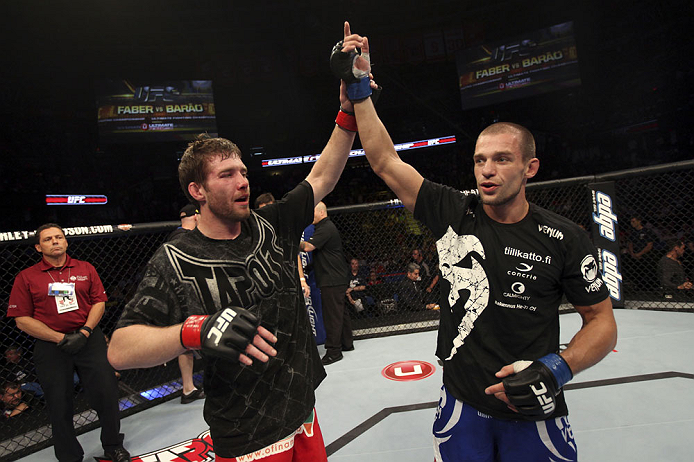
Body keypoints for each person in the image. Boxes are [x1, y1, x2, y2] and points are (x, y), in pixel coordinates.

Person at [332, 22, 617, 461]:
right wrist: (359, 88)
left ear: (530, 168)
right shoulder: (453, 210)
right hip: (462, 402)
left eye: (502, 159)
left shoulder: (565, 237)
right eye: (480, 159)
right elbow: (385, 161)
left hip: (533, 406)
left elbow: (601, 320)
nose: (487, 170)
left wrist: (557, 368)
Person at [108, 77, 375, 461]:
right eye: (226, 175)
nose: (243, 182)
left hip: (301, 410)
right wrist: (194, 330)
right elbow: (119, 350)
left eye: (243, 172)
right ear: (197, 191)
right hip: (247, 432)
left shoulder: (271, 224)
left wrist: (347, 113)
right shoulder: (177, 259)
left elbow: (322, 176)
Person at [7, 223, 130, 462]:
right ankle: (69, 456)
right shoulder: (27, 277)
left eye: (58, 237)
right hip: (51, 344)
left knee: (106, 393)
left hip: (88, 338)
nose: (55, 241)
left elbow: (99, 302)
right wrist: (61, 338)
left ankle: (113, 445)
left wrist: (84, 332)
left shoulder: (85, 268)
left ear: (66, 241)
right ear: (38, 247)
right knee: (58, 402)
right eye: (48, 239)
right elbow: (21, 320)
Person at [300, 202, 353, 365]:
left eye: (313, 212)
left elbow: (308, 247)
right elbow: (324, 254)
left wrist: (293, 242)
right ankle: (346, 343)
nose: (311, 216)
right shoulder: (324, 227)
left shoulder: (325, 227)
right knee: (339, 312)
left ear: (321, 212)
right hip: (335, 276)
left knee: (332, 316)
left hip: (332, 278)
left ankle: (333, 352)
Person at [168, 204, 206, 404]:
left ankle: (188, 388)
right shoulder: (184, 239)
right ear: (196, 217)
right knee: (196, 337)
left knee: (188, 340)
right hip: (188, 297)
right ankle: (189, 387)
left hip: (181, 297)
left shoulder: (175, 237)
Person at [625, 215, 658, 289]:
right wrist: (633, 253)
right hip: (635, 256)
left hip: (646, 256)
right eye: (631, 221)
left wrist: (639, 254)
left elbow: (649, 245)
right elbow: (630, 243)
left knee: (647, 273)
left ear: (639, 221)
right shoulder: (632, 232)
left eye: (633, 221)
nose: (632, 223)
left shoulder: (647, 231)